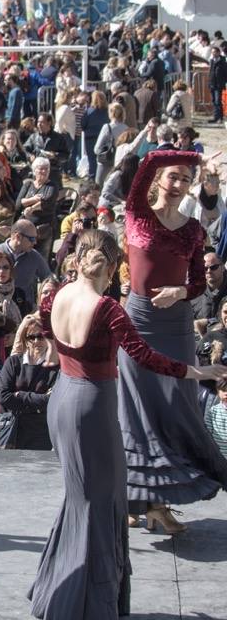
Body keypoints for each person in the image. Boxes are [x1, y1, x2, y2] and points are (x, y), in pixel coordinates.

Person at [31, 230, 226, 620]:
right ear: (114, 263)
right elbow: (147, 358)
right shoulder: (108, 310)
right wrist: (199, 372)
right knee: (100, 503)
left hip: (62, 401)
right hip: (93, 407)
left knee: (81, 500)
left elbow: (48, 334)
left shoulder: (58, 295)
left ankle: (60, 596)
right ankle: (80, 617)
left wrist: (53, 350)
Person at [117, 149, 227, 533]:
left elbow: (198, 281)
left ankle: (158, 499)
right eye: (174, 177)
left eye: (185, 179)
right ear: (159, 181)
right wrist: (194, 155)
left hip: (176, 326)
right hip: (139, 322)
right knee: (136, 410)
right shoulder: (138, 214)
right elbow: (147, 161)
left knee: (175, 405)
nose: (179, 185)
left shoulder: (194, 229)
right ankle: (141, 501)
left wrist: (180, 293)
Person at [0, 314, 59, 451]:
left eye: (41, 336)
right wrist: (36, 401)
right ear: (25, 339)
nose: (36, 341)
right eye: (31, 337)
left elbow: (51, 401)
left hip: (40, 433)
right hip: (9, 430)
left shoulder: (54, 367)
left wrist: (20, 395)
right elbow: (4, 397)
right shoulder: (13, 362)